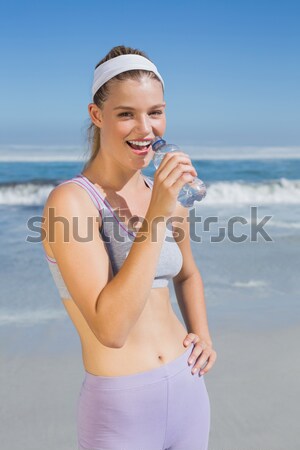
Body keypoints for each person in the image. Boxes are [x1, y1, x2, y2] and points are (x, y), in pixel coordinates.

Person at [42, 45, 217, 450]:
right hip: (121, 409)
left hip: (187, 387)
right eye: (126, 114)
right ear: (97, 115)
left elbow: (187, 273)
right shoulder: (71, 202)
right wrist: (156, 215)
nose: (146, 129)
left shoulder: (166, 194)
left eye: (155, 112)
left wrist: (203, 334)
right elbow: (111, 329)